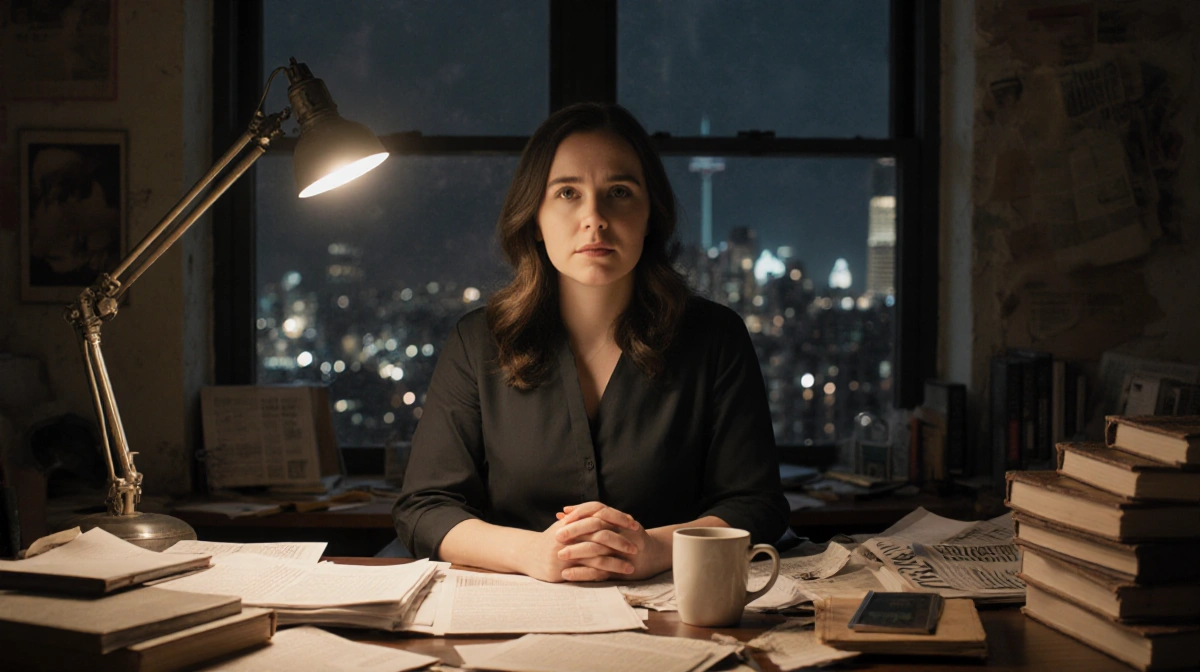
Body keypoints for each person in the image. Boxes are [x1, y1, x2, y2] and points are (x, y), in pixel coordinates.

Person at [392, 102, 788, 583]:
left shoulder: (715, 338)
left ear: (651, 215)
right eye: (567, 193)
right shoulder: (477, 342)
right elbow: (425, 506)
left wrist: (653, 549)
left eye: (619, 192)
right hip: (514, 606)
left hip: (671, 608)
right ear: (535, 218)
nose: (594, 218)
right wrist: (531, 553)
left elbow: (756, 503)